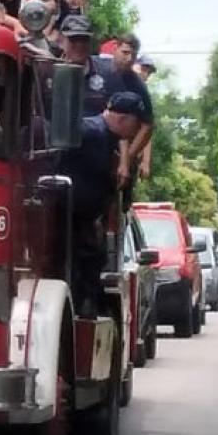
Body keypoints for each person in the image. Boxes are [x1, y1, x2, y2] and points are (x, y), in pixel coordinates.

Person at [59, 91, 147, 317]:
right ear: (122, 119)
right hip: (71, 221)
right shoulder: (94, 135)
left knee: (93, 261)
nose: (135, 132)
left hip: (83, 220)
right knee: (86, 264)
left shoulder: (102, 136)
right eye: (135, 124)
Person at [91, 34, 155, 192]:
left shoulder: (137, 85)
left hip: (112, 150)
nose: (129, 58)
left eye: (133, 55)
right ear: (116, 49)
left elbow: (148, 124)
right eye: (125, 52)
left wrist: (127, 157)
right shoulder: (95, 66)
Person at [57, 15, 110, 114]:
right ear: (60, 40)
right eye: (74, 39)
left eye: (84, 39)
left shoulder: (106, 71)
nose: (80, 44)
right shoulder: (48, 71)